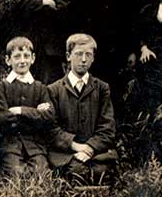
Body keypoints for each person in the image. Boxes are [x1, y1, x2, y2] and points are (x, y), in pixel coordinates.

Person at [48, 34, 116, 184]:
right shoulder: (54, 90)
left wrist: (91, 148)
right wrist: (76, 146)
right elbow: (51, 129)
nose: (83, 59)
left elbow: (107, 127)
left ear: (93, 58)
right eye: (79, 54)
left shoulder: (102, 88)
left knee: (101, 173)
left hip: (96, 152)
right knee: (77, 173)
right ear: (68, 56)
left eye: (88, 55)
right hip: (66, 153)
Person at [0, 37, 54, 177]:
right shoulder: (1, 87)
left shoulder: (40, 87)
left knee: (42, 173)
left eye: (26, 56)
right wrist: (35, 113)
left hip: (35, 145)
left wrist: (20, 110)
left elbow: (49, 117)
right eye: (17, 57)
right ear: (8, 60)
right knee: (16, 173)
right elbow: (2, 117)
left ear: (33, 58)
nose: (22, 61)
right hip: (10, 144)